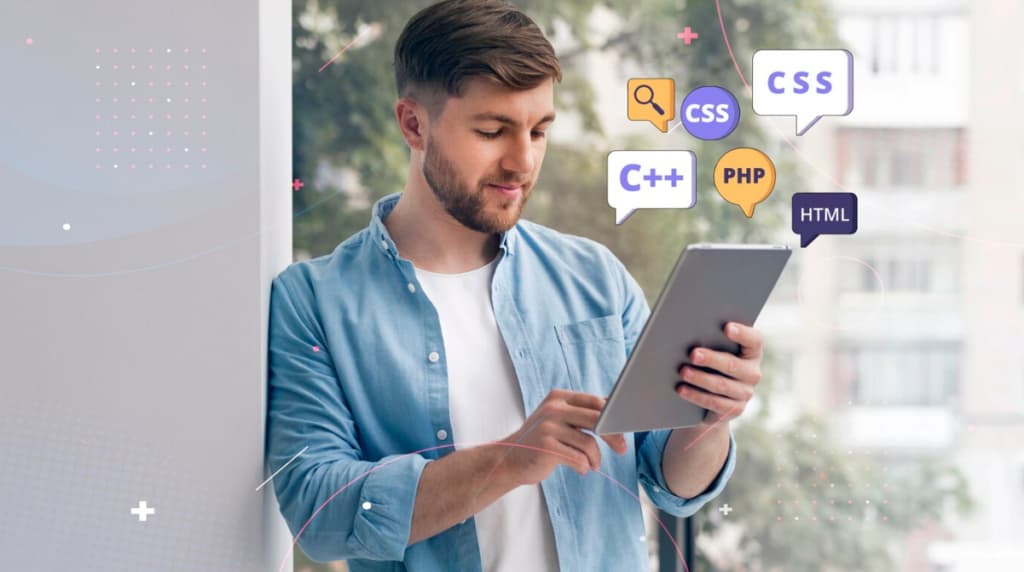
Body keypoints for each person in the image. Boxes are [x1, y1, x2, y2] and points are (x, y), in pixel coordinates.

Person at [267, 1, 765, 570]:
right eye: (491, 131)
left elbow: (668, 481)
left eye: (539, 130)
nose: (522, 162)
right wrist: (510, 459)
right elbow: (319, 514)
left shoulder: (595, 278)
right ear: (413, 124)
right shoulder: (314, 303)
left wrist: (712, 414)